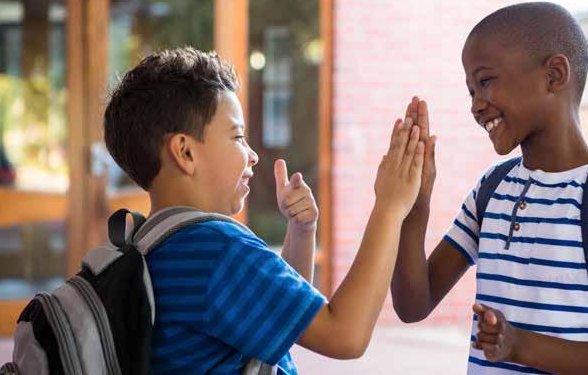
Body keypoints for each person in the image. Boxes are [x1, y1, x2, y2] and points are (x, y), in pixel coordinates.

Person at [391, 2, 588, 374]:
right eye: (470, 91)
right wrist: (415, 205)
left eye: (486, 81)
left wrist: (520, 345)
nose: (476, 105)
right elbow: (414, 305)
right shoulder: (491, 190)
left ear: (554, 75)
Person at [103, 47, 425, 374]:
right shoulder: (218, 249)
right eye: (238, 137)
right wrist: (390, 207)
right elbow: (346, 334)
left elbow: (278, 316)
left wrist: (300, 231)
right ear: (185, 152)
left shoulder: (151, 245)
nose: (252, 155)